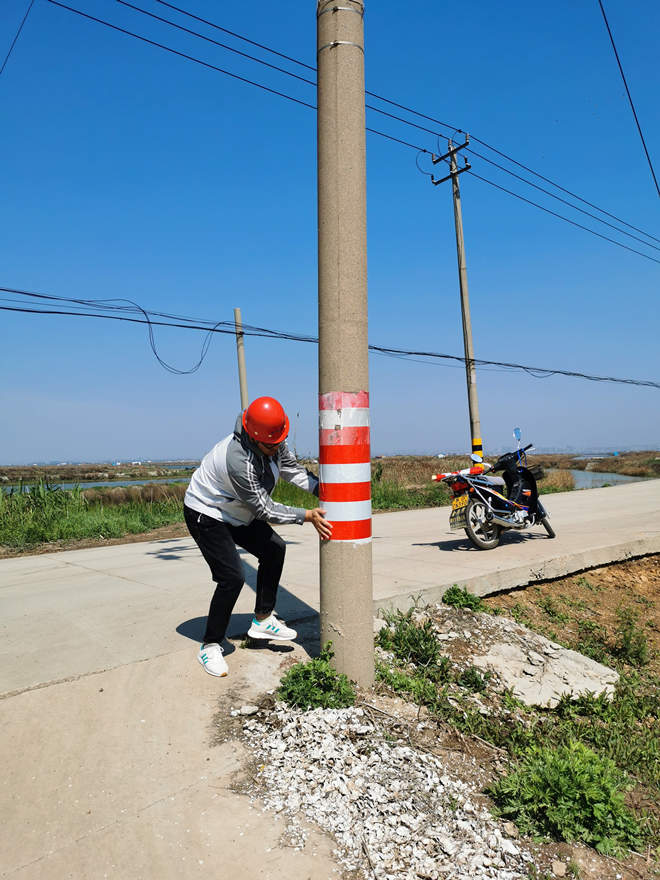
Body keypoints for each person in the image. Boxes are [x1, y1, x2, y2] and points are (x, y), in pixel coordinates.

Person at [183, 396, 332, 677]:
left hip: (236, 510)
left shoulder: (272, 438)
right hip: (207, 512)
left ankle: (263, 620)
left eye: (280, 441)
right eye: (272, 445)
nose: (278, 448)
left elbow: (291, 469)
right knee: (231, 578)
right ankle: (210, 645)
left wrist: (325, 490)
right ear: (254, 437)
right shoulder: (238, 461)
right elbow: (264, 509)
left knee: (274, 548)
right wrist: (306, 515)